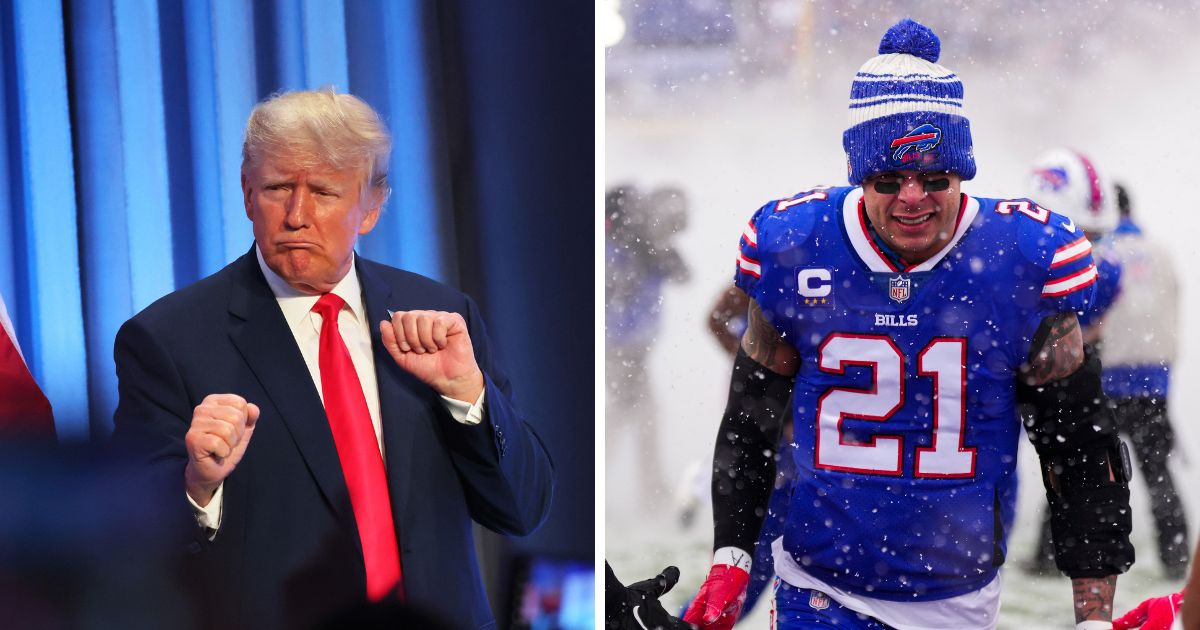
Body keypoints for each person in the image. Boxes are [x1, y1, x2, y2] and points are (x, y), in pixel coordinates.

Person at [683, 19, 1133, 630]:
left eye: (935, 178)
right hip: (820, 588)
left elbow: (1078, 444)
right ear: (859, 175)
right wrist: (731, 557)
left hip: (958, 596)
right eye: (888, 180)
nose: (913, 197)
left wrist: (1094, 616)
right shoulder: (798, 244)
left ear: (963, 172)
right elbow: (749, 418)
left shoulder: (1022, 257)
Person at [111, 89, 554, 630]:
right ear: (248, 195)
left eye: (323, 191)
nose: (297, 215)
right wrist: (195, 484)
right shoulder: (167, 339)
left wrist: (468, 395)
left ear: (371, 207)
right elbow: (131, 543)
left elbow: (522, 508)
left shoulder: (441, 314)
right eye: (277, 188)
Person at [1022, 148, 1125, 575]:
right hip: (1020, 365)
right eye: (1082, 233)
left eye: (1095, 236)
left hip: (1065, 365)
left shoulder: (1107, 269)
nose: (1091, 247)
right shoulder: (1009, 257)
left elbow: (1091, 326)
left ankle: (1055, 555)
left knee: (1074, 464)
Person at [1096, 183, 1189, 579]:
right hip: (1154, 381)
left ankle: (1050, 559)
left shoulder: (1099, 253)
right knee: (1158, 473)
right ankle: (1177, 556)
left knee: (1084, 470)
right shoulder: (1160, 252)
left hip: (1107, 378)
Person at [606, 184, 691, 507]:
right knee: (644, 414)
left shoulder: (653, 249)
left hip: (632, 348)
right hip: (618, 348)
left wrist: (658, 251)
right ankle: (650, 492)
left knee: (631, 413)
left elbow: (685, 275)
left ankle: (640, 488)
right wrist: (647, 254)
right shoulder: (620, 247)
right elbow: (616, 286)